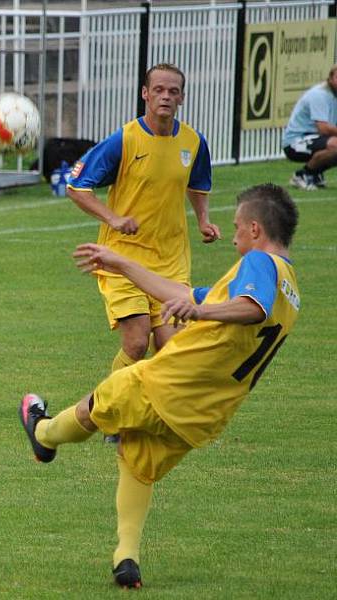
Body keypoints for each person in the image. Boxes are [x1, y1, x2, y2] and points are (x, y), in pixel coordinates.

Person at [19, 183, 300, 589]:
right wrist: (122, 264)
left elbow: (249, 310)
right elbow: (182, 294)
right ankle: (126, 558)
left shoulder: (259, 263)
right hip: (204, 414)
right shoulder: (291, 289)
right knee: (137, 463)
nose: (234, 232)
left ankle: (42, 433)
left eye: (238, 225)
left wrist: (200, 310)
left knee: (96, 404)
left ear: (255, 229)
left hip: (167, 383)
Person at [67, 63, 220, 382]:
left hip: (170, 262)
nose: (166, 96)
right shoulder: (123, 140)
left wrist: (203, 220)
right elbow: (76, 186)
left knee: (170, 348)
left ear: (183, 98)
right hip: (121, 259)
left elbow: (198, 184)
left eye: (173, 91)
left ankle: (148, 416)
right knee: (136, 342)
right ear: (145, 94)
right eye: (159, 90)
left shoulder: (193, 142)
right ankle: (108, 412)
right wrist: (114, 218)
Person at [282, 64, 337, 191]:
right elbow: (323, 129)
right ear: (330, 78)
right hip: (295, 143)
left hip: (315, 139)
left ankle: (315, 173)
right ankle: (302, 175)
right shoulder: (320, 95)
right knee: (335, 145)